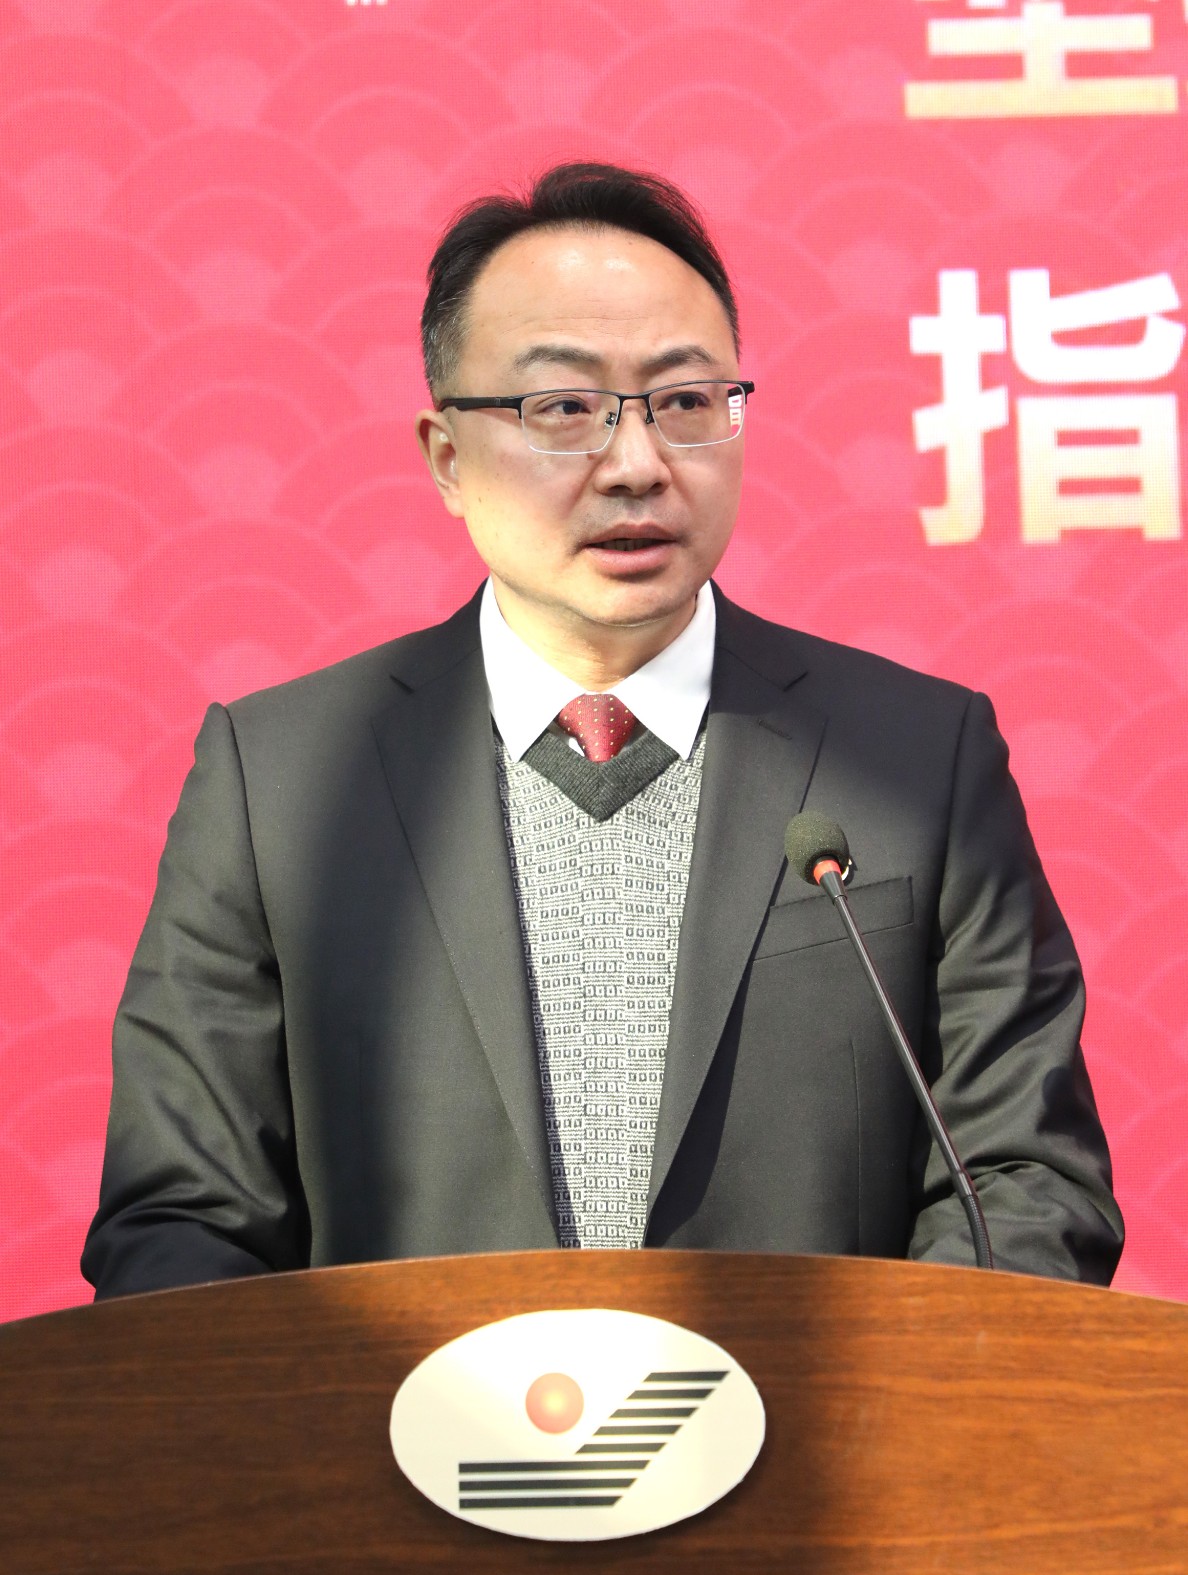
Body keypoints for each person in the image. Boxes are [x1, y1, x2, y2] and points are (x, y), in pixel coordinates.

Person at [82, 163, 1123, 1299]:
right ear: (447, 457)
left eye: (686, 402)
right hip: (394, 1417)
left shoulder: (918, 758)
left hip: (828, 1415)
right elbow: (183, 1216)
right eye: (564, 410)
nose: (637, 466)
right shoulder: (279, 781)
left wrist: (888, 1402)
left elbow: (1024, 1179)